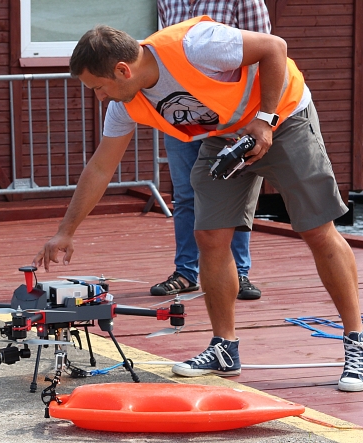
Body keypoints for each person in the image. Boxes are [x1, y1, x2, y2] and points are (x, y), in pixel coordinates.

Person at [33, 17, 363, 391]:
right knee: (209, 235)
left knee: (317, 230)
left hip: (282, 119)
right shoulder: (125, 105)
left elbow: (275, 47)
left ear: (123, 70)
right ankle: (225, 349)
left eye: (98, 87)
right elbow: (100, 168)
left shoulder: (196, 45)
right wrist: (65, 232)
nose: (100, 97)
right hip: (224, 136)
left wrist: (265, 121)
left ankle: (357, 341)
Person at [151, 0, 270, 300]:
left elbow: (265, 51)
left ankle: (238, 272)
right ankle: (187, 272)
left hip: (229, 112)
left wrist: (259, 117)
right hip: (181, 111)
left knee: (233, 191)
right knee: (185, 193)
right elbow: (163, 52)